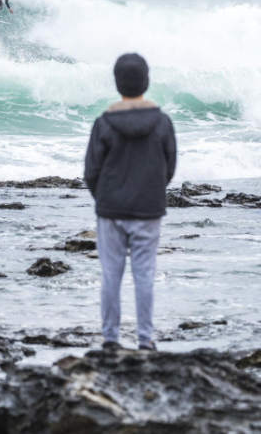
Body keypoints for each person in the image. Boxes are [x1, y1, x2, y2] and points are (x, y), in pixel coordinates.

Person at [84, 53, 177, 352]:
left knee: (111, 275)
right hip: (148, 209)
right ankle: (145, 339)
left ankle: (110, 338)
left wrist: (106, 198)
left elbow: (91, 171)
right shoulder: (162, 121)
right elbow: (169, 165)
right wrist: (150, 190)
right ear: (146, 82)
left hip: (110, 210)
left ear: (116, 83)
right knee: (144, 274)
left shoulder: (104, 122)